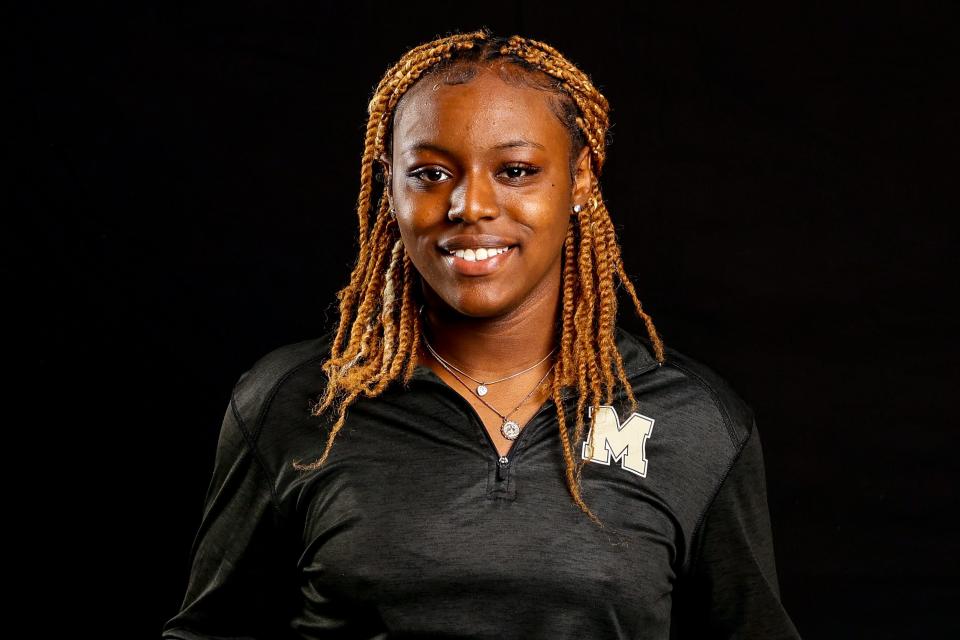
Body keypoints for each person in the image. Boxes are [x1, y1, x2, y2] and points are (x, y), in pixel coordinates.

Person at [162, 27, 802, 640]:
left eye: (516, 171)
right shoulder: (295, 402)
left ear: (580, 178)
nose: (469, 204)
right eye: (431, 173)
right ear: (390, 186)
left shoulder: (694, 419)